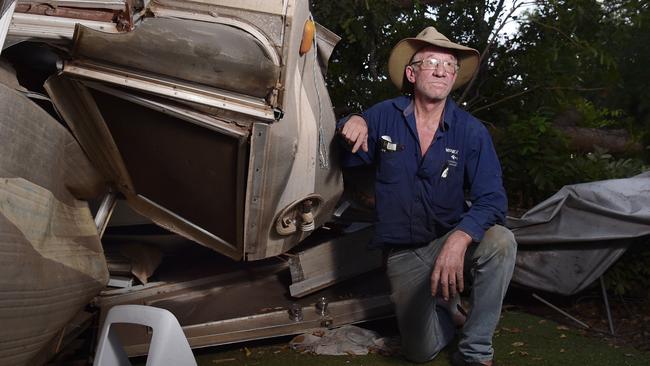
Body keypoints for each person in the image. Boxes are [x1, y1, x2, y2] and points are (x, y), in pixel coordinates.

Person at [337, 27, 517, 366]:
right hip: (404, 254)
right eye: (431, 62)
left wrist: (459, 239)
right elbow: (347, 159)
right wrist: (352, 120)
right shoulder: (382, 115)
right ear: (411, 72)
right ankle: (448, 313)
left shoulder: (471, 131)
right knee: (420, 353)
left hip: (448, 239)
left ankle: (475, 352)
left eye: (449, 66)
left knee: (502, 241)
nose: (441, 70)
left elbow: (492, 199)